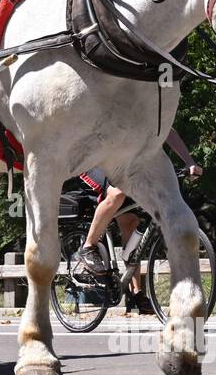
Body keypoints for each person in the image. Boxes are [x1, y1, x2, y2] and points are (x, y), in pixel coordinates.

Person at [76, 130, 203, 313]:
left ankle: (136, 294)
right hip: (94, 159)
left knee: (130, 221)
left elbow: (168, 130)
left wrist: (189, 161)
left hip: (127, 164)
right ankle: (88, 246)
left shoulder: (152, 107)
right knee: (117, 193)